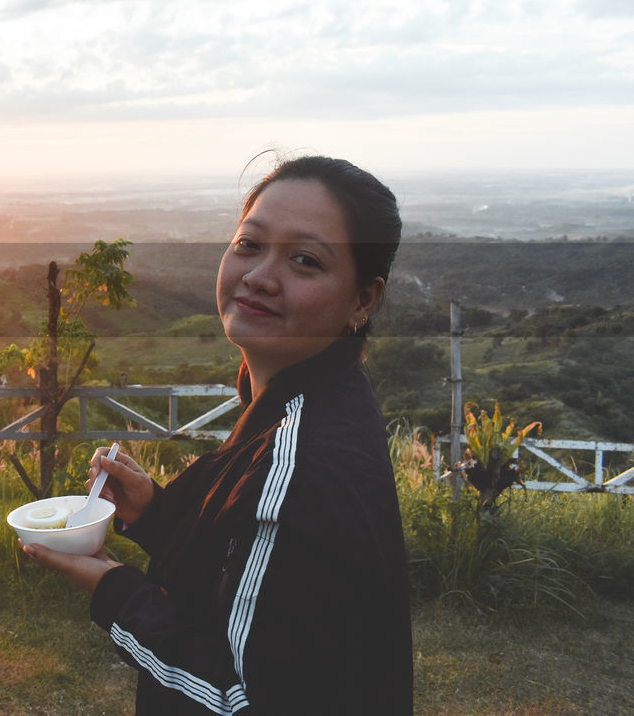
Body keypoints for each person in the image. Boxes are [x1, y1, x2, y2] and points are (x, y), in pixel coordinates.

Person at [22, 155, 413, 714]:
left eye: (305, 260)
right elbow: (257, 572)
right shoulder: (308, 399)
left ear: (362, 300)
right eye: (249, 244)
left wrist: (113, 588)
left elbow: (239, 698)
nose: (257, 276)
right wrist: (155, 512)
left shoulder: (306, 461)